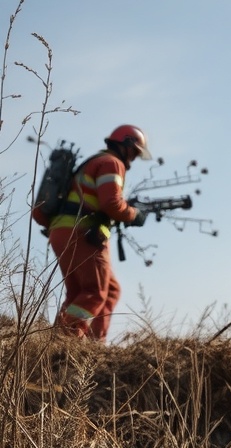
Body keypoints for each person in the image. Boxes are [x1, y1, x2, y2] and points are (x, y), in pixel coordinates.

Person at [43, 124, 152, 341]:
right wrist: (133, 214)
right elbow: (111, 203)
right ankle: (65, 340)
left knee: (102, 291)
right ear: (126, 144)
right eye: (135, 152)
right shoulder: (112, 163)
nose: (134, 158)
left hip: (62, 231)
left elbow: (98, 202)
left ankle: (90, 343)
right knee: (94, 292)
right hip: (82, 233)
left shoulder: (94, 162)